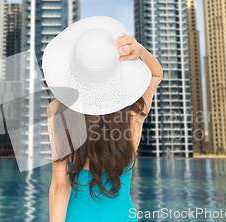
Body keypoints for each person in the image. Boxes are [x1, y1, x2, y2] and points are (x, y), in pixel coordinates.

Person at [42, 16, 163, 222]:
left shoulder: (57, 110)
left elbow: (60, 187)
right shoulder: (136, 109)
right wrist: (140, 51)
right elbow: (156, 75)